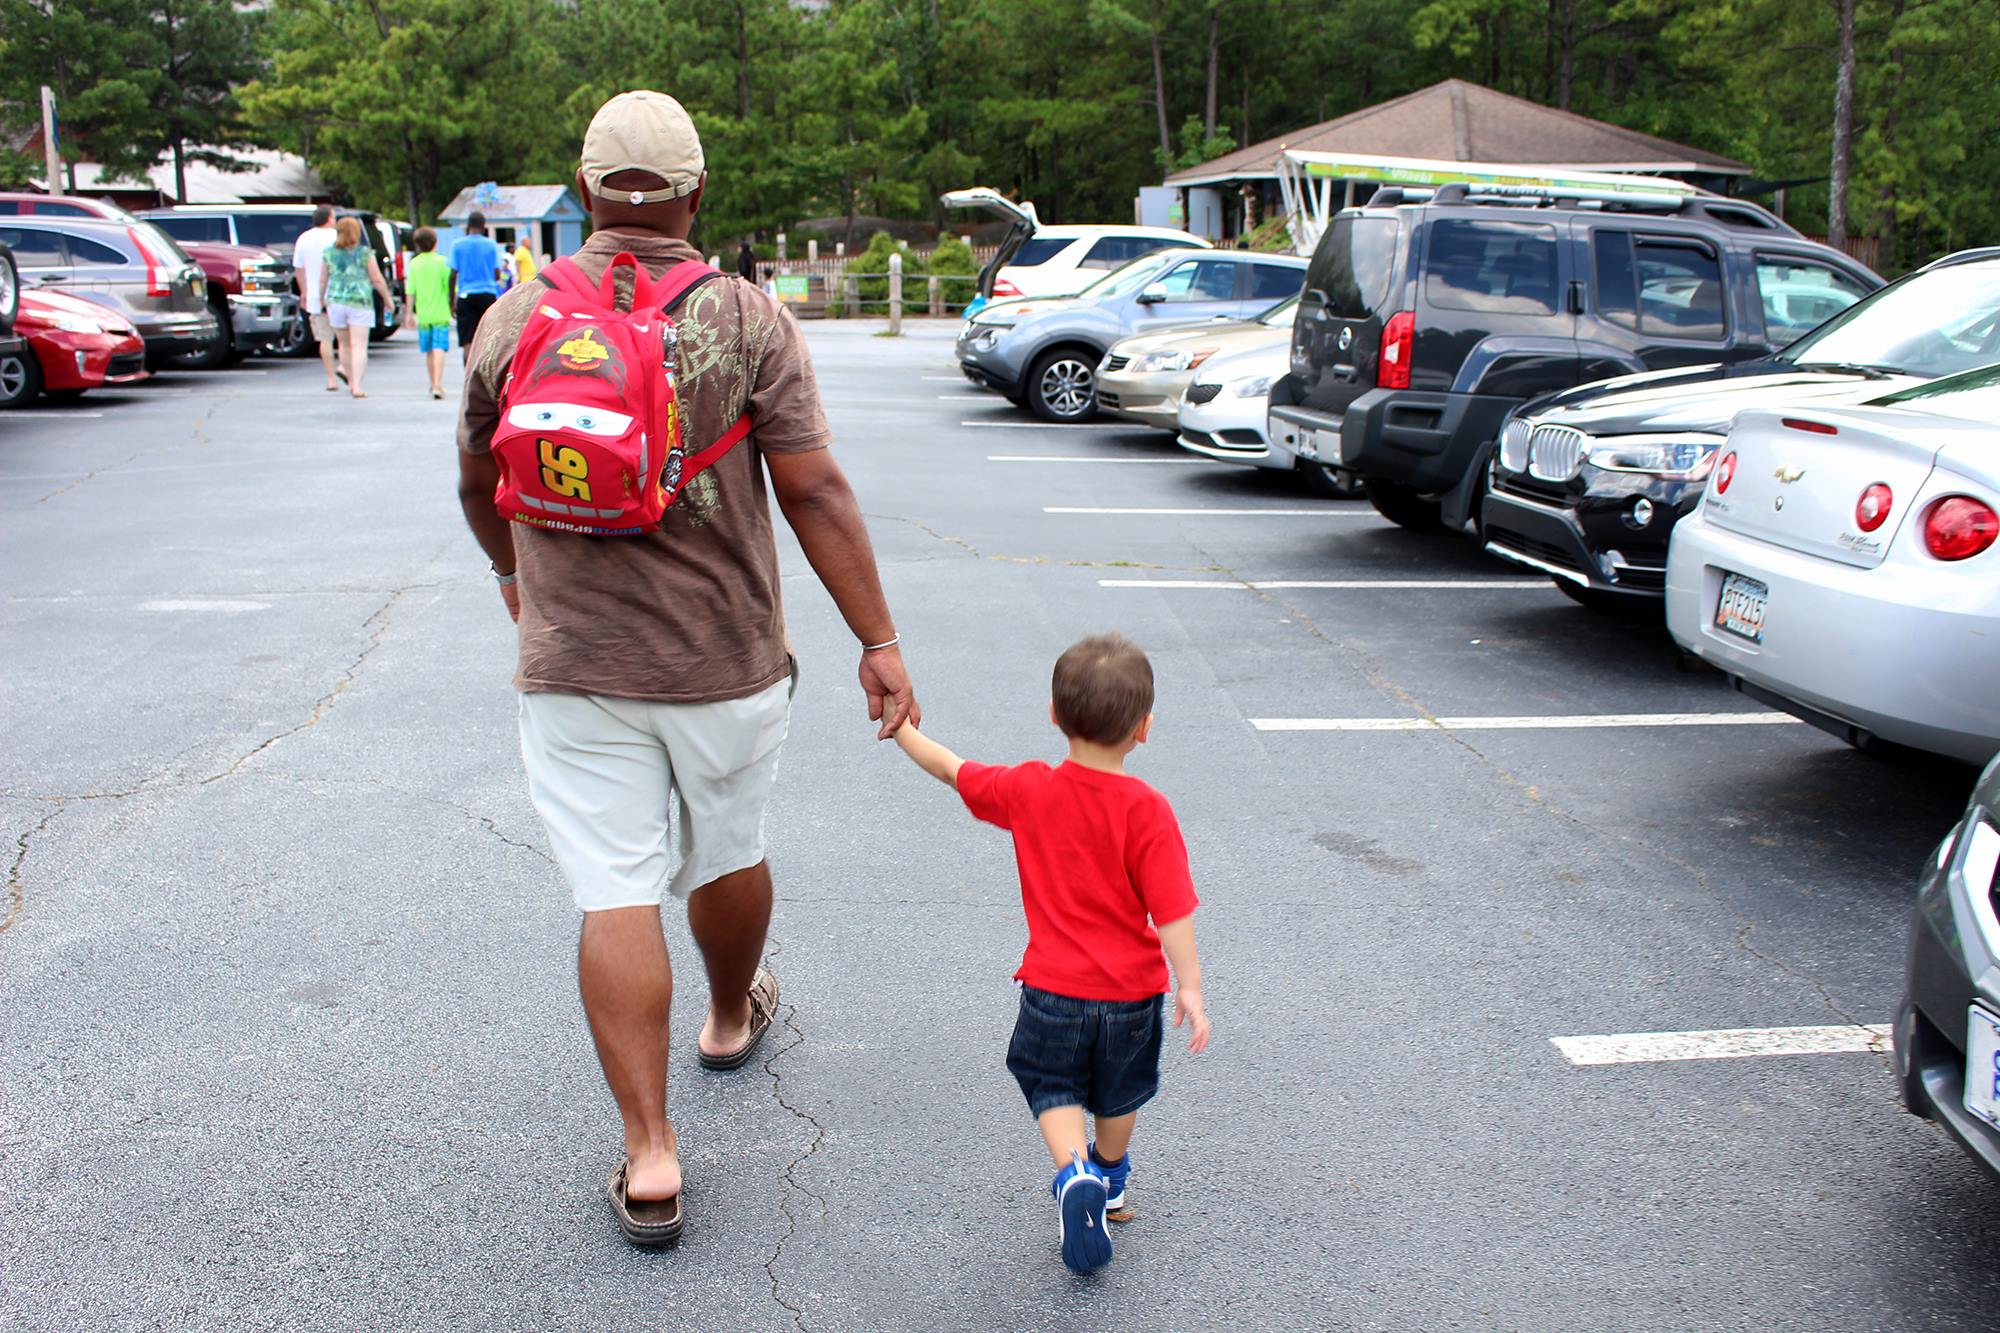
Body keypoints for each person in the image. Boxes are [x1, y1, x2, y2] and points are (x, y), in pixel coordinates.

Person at [454, 89, 916, 1249]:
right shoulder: (748, 318)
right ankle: (723, 1014)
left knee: (615, 887)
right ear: (697, 192)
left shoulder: (511, 319)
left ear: (586, 190)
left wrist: (517, 586)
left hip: (573, 662)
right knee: (730, 843)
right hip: (725, 659)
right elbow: (811, 489)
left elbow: (477, 481)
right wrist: (877, 638)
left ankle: (651, 1156)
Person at [891, 632, 1210, 1275]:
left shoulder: (1030, 789)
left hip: (1053, 991)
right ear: (1144, 728)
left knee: (1052, 1083)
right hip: (1131, 994)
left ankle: (1073, 1174)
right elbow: (1172, 909)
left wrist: (902, 730)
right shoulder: (1149, 811)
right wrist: (1191, 987)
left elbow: (951, 768)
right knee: (1119, 1093)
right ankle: (1112, 1181)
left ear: (1054, 715)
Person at [320, 215, 392, 399]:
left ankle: (350, 379)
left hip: (336, 301)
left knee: (343, 345)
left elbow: (323, 279)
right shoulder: (364, 253)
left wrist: (322, 298)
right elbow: (376, 279)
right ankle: (357, 385)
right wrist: (387, 299)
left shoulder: (328, 253)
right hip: (359, 301)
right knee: (359, 345)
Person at [290, 203, 340, 391]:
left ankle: (331, 378)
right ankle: (349, 373)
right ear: (328, 219)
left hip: (315, 297)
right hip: (340, 295)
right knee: (344, 340)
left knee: (324, 338)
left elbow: (299, 268)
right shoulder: (337, 237)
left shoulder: (304, 238)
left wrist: (303, 291)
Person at [402, 226, 452, 399]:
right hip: (440, 312)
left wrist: (409, 314)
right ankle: (438, 383)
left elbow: (410, 290)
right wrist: (453, 306)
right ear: (435, 242)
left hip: (423, 313)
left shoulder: (414, 263)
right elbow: (449, 287)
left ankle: (432, 383)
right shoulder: (443, 262)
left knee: (429, 350)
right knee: (439, 348)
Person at [448, 210, 502, 357]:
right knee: (487, 338)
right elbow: (497, 273)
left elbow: (452, 274)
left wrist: (451, 300)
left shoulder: (457, 245)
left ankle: (468, 376)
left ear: (468, 226)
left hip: (466, 295)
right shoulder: (491, 245)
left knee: (468, 341)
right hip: (487, 294)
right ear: (483, 226)